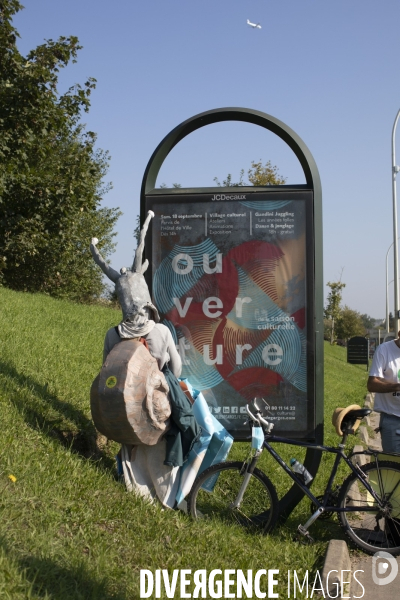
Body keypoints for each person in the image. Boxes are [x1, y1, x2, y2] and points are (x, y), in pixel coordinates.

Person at [367, 331, 400, 454]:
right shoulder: (384, 350)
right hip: (392, 418)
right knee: (393, 467)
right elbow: (371, 384)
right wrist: (397, 387)